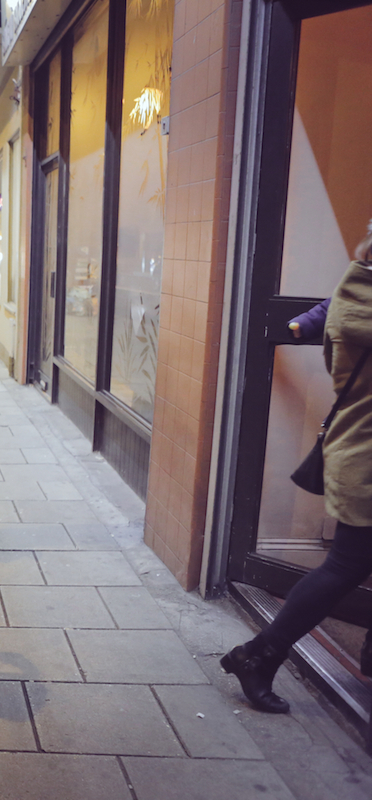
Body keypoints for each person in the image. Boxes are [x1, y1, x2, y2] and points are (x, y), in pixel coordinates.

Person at [221, 223, 372, 713]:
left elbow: (325, 313)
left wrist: (299, 325)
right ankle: (259, 654)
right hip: (367, 458)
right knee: (346, 565)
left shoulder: (356, 289)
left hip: (357, 449)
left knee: (348, 564)